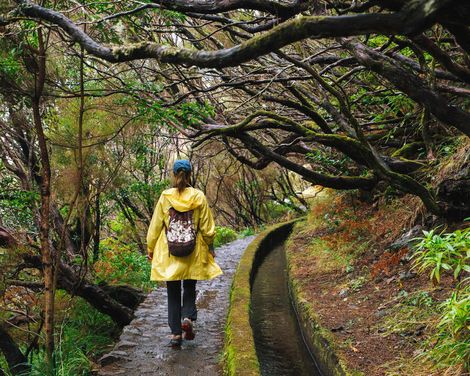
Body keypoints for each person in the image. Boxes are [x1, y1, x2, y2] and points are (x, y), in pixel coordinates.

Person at [146, 159, 222, 347]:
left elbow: (155, 226)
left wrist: (150, 247)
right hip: (192, 250)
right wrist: (210, 246)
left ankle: (175, 335)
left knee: (172, 291)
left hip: (169, 252)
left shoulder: (165, 196)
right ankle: (187, 317)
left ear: (174, 174)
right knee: (189, 285)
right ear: (189, 175)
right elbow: (207, 228)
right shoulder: (198, 196)